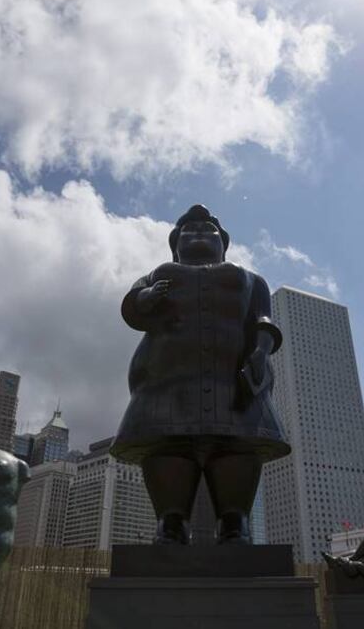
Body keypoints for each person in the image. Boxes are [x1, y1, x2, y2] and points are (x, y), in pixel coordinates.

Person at [111, 204, 290, 545]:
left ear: (223, 242)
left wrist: (261, 351)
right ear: (175, 244)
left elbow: (264, 322)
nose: (198, 234)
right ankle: (172, 521)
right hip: (167, 380)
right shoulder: (159, 273)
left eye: (207, 230)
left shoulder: (251, 280)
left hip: (233, 380)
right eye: (188, 231)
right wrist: (148, 297)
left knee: (236, 448)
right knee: (168, 448)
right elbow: (133, 305)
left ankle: (235, 521)